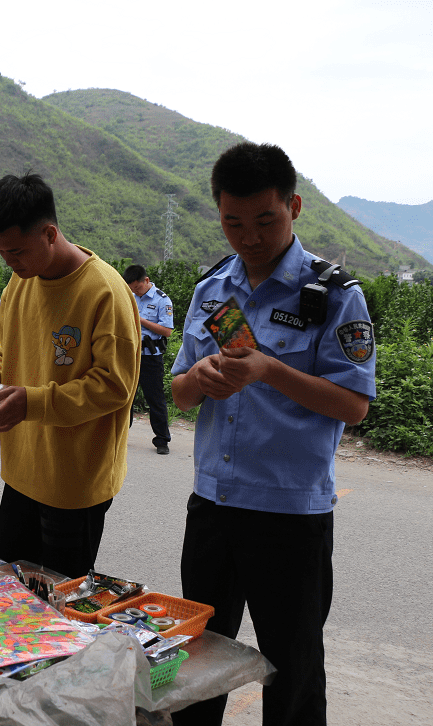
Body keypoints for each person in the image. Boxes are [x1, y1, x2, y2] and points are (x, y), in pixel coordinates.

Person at [169, 143, 376, 726]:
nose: (249, 236)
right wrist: (201, 378)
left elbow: (354, 405)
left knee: (293, 668)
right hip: (213, 506)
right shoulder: (212, 290)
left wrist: (269, 370)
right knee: (199, 660)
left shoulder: (334, 296)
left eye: (266, 220)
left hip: (290, 516)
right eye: (233, 222)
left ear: (295, 207)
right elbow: (179, 395)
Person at [0, 173, 141, 578]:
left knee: (58, 603)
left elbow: (114, 386)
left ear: (49, 233)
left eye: (17, 251)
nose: (10, 262)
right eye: (2, 253)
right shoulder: (20, 283)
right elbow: (8, 350)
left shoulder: (105, 291)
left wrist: (33, 401)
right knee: (9, 588)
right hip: (24, 472)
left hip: (74, 484)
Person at [123, 264, 173, 454]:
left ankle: (162, 440)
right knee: (126, 397)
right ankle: (120, 435)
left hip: (151, 357)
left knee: (155, 399)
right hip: (131, 355)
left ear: (146, 280)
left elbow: (167, 331)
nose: (136, 292)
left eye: (138, 288)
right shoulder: (130, 297)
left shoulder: (162, 300)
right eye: (132, 289)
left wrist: (140, 320)